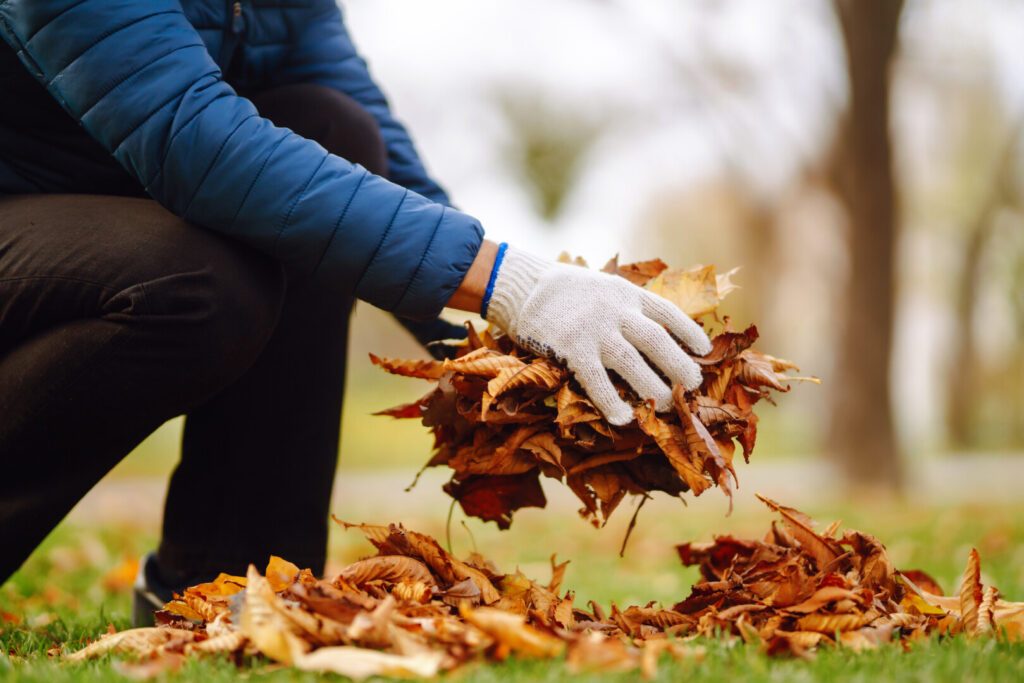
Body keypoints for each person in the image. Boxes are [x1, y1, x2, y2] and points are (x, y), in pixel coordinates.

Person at [0, 0, 711, 622]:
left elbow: (380, 166)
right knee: (198, 283)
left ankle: (230, 588)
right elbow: (193, 139)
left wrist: (528, 360)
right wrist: (512, 285)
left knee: (332, 129)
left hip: (95, 213)